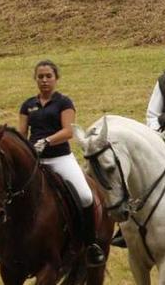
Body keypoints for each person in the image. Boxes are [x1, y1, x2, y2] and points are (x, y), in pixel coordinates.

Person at [18, 60, 106, 266]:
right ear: (35, 79)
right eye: (40, 77)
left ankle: (91, 243)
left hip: (60, 158)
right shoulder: (27, 105)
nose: (44, 80)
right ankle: (3, 246)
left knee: (85, 196)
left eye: (48, 76)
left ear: (56, 78)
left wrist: (47, 141)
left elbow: (68, 131)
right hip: (36, 161)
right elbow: (22, 133)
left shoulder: (64, 103)